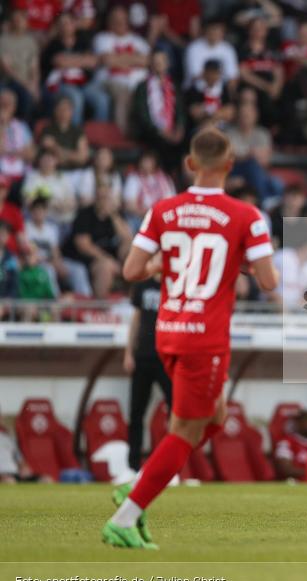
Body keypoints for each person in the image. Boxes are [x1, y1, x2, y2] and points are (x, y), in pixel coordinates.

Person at [102, 127, 279, 549]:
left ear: (190, 164)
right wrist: (238, 262)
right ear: (230, 166)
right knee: (186, 429)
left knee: (213, 418)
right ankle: (127, 514)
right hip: (206, 338)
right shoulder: (246, 216)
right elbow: (269, 281)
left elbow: (129, 271)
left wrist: (165, 268)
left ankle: (142, 485)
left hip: (167, 331)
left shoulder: (163, 209)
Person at [124, 272, 172, 471]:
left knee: (176, 411)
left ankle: (172, 465)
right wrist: (128, 352)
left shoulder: (176, 283)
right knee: (136, 412)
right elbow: (135, 319)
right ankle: (133, 466)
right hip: (143, 355)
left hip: (167, 357)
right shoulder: (143, 284)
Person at [61, 181, 132, 298]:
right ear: (95, 197)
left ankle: (131, 301)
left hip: (110, 259)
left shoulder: (116, 216)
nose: (103, 201)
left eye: (106, 197)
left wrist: (113, 215)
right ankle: (100, 307)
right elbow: (83, 245)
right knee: (105, 267)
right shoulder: (85, 215)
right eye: (100, 197)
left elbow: (127, 238)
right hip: (84, 260)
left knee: (132, 257)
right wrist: (107, 259)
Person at [41, 11, 110, 126]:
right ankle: (76, 136)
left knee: (102, 99)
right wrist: (82, 60)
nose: (65, 26)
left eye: (68, 22)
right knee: (76, 98)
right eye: (61, 23)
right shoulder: (53, 44)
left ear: (74, 24)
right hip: (60, 85)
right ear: (57, 27)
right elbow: (60, 62)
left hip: (83, 83)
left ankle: (99, 136)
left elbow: (93, 62)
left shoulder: (83, 40)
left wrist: (70, 61)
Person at [92, 6, 151, 134]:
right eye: (116, 20)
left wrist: (119, 60)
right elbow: (108, 61)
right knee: (123, 93)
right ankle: (121, 134)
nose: (120, 23)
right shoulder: (102, 38)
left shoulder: (138, 40)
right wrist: (134, 59)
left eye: (123, 19)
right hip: (111, 82)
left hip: (139, 84)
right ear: (109, 22)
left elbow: (147, 61)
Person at [129, 50, 186, 169]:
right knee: (162, 144)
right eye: (155, 62)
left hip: (173, 130)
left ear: (167, 64)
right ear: (151, 64)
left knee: (185, 142)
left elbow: (180, 109)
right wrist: (160, 131)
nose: (158, 65)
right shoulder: (143, 87)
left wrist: (180, 128)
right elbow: (142, 114)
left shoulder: (174, 85)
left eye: (161, 61)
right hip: (151, 131)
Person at [225, 102, 284, 204]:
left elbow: (265, 160)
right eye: (243, 115)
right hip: (235, 170)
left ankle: (269, 206)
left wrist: (246, 155)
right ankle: (264, 203)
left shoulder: (263, 134)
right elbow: (230, 157)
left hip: (259, 172)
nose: (245, 118)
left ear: (255, 116)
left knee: (277, 183)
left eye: (248, 115)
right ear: (238, 116)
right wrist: (250, 154)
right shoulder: (229, 133)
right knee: (251, 164)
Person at [0, 7, 40, 121]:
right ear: (12, 22)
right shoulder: (3, 40)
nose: (19, 22)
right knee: (24, 95)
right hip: (8, 82)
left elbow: (34, 67)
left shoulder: (30, 42)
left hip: (26, 82)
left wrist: (35, 85)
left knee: (34, 97)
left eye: (21, 19)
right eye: (16, 20)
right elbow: (7, 69)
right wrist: (27, 85)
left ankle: (24, 130)